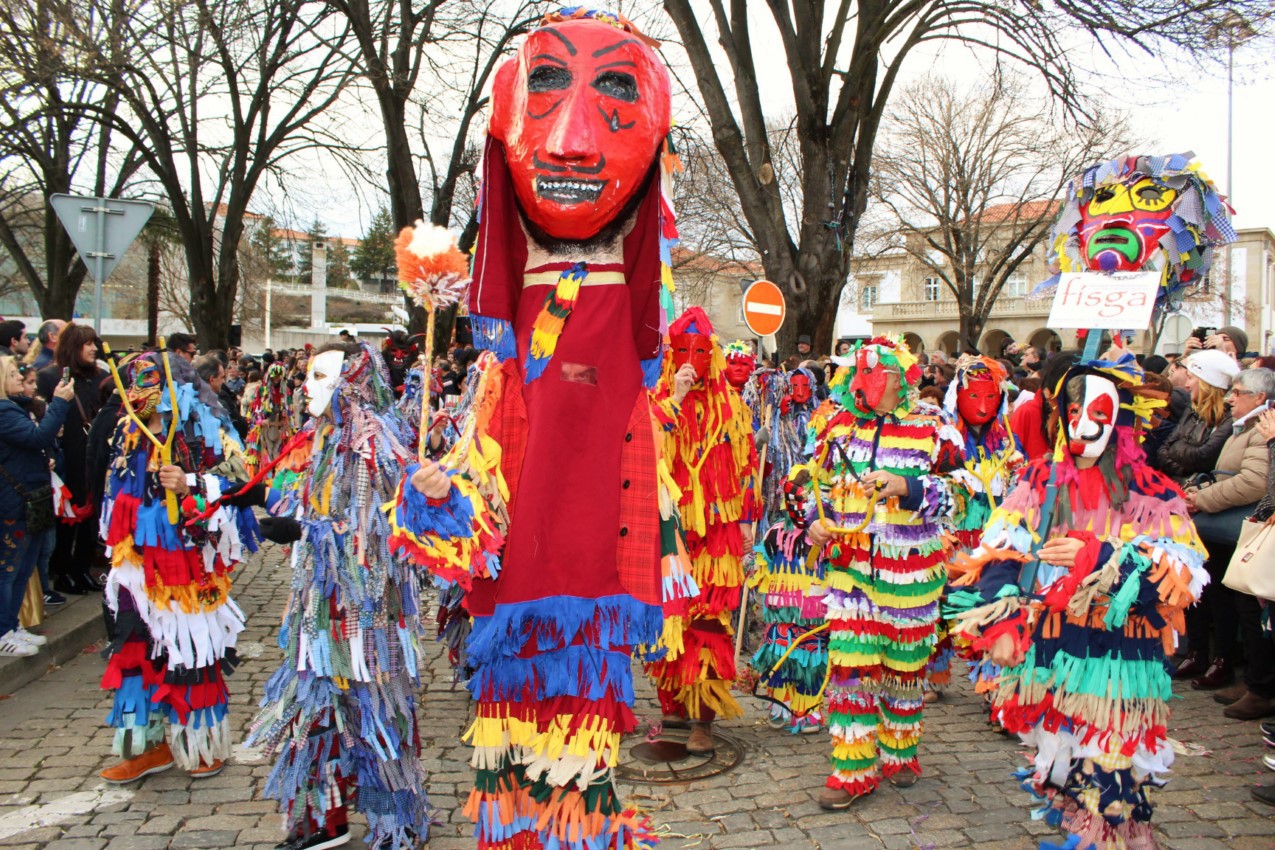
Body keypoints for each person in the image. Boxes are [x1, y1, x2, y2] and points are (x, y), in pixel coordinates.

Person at [389, 10, 691, 849]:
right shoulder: (501, 342)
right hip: (517, 576)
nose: (569, 141)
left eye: (615, 89)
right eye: (547, 83)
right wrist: (440, 485)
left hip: (597, 565)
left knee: (583, 744)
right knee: (517, 735)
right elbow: (472, 478)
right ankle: (521, 830)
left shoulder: (636, 348)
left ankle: (577, 824)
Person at [947, 354, 1207, 849]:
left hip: (1119, 662)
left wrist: (1100, 555)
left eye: (1100, 416)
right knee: (1062, 771)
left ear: (1124, 424)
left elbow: (1181, 579)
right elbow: (1000, 551)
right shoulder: (1040, 479)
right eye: (1074, 414)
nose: (1083, 426)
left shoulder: (1150, 490)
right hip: (1052, 654)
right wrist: (1000, 623)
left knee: (1109, 778)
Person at [248, 343, 427, 850]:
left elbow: (378, 529)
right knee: (313, 713)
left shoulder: (376, 445)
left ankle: (398, 821)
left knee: (374, 715)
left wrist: (304, 531)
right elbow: (315, 501)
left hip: (367, 614)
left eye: (320, 375)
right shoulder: (323, 437)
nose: (307, 385)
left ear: (349, 381)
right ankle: (324, 818)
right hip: (318, 610)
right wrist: (260, 497)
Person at [796, 335, 961, 809]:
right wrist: (814, 523)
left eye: (882, 375)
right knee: (852, 671)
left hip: (910, 582)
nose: (872, 383)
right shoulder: (836, 428)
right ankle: (852, 769)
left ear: (902, 377)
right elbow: (814, 484)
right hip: (852, 580)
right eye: (865, 374)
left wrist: (906, 486)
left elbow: (966, 495)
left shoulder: (933, 427)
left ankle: (900, 751)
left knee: (903, 672)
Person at [97, 351, 257, 784]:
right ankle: (147, 746)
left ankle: (200, 744)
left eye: (150, 380)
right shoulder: (126, 430)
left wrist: (190, 482)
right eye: (135, 382)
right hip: (133, 565)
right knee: (135, 651)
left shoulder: (202, 423)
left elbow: (243, 477)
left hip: (185, 564)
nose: (140, 391)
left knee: (190, 652)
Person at [646, 308, 757, 753]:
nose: (692, 359)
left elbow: (747, 467)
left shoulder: (732, 407)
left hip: (717, 531)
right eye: (682, 351)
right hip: (671, 527)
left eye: (699, 351)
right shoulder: (658, 399)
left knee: (709, 619)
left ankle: (703, 718)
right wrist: (675, 394)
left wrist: (747, 519)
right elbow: (649, 451)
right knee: (670, 615)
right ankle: (672, 702)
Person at [1186, 367, 1275, 710]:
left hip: (1251, 529)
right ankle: (1253, 679)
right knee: (1237, 604)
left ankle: (1262, 687)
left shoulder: (1262, 429)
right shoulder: (1248, 428)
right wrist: (1203, 489)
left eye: (1238, 392)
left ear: (1259, 397)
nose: (1230, 398)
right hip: (1234, 528)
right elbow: (1230, 473)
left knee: (1253, 608)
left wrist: (1204, 499)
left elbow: (1255, 482)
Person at [0, 356, 73, 655]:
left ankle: (11, 625)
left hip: (31, 496)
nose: (19, 377)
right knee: (10, 568)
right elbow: (38, 436)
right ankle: (4, 630)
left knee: (23, 567)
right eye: (13, 373)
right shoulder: (4, 411)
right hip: (15, 503)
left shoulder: (17, 408)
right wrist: (59, 404)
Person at [36, 323, 109, 595]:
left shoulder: (101, 376)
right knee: (68, 519)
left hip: (95, 456)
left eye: (94, 343)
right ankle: (63, 571)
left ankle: (81, 569)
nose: (93, 348)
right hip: (68, 457)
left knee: (92, 518)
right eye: (87, 344)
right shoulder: (50, 377)